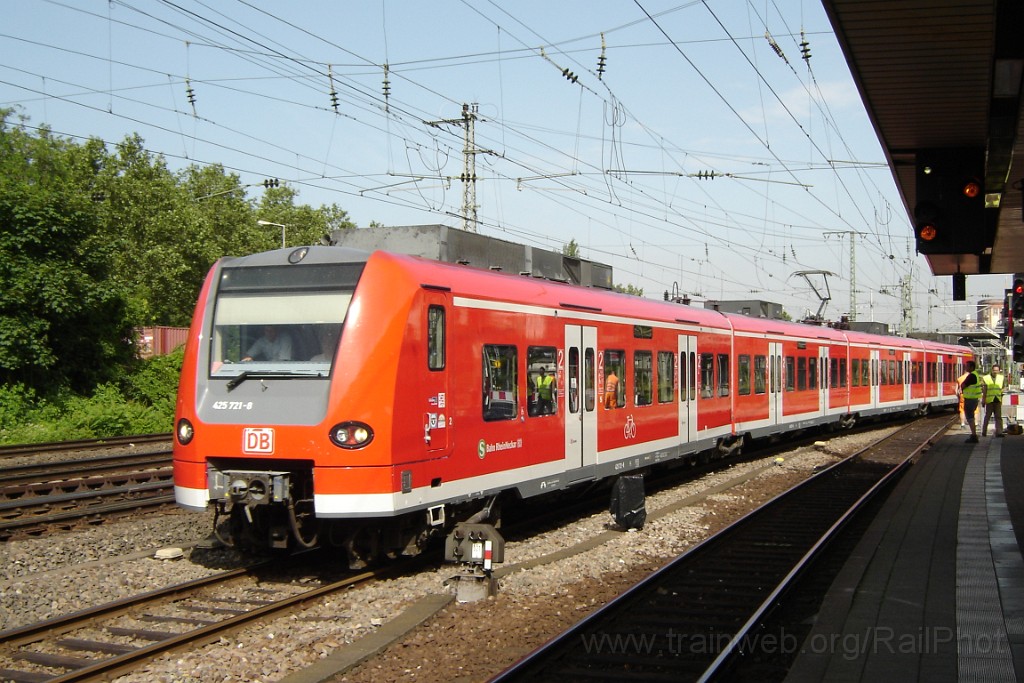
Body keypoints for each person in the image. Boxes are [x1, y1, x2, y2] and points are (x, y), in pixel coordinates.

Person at [960, 360, 982, 444]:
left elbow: (963, 385)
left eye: (967, 366)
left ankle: (974, 436)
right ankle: (974, 435)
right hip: (974, 399)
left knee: (970, 418)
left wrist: (962, 387)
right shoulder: (975, 375)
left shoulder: (972, 376)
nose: (966, 367)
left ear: (972, 367)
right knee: (971, 417)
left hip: (970, 399)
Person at [981, 363, 1006, 438]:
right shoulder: (986, 378)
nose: (995, 372)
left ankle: (999, 432)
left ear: (999, 371)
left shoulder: (1001, 378)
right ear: (992, 370)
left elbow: (1003, 388)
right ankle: (984, 431)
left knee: (998, 417)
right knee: (987, 416)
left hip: (997, 400)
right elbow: (984, 390)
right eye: (994, 370)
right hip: (989, 401)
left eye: (997, 371)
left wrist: (1001, 394)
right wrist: (983, 400)